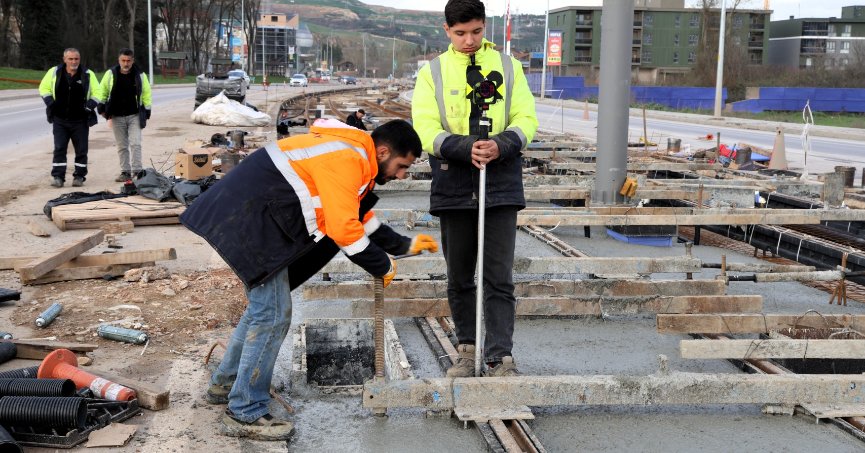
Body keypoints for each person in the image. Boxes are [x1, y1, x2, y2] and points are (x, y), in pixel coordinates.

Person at [180, 119, 439, 441]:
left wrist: (403, 245)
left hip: (255, 218)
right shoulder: (347, 158)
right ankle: (244, 410)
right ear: (384, 151)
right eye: (402, 166)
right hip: (250, 220)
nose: (402, 175)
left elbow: (356, 214)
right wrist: (381, 264)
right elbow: (343, 229)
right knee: (273, 314)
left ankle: (227, 383)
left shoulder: (355, 158)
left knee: (263, 311)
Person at [411, 0, 538, 378]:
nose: (469, 40)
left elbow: (526, 117)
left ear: (485, 27)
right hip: (453, 182)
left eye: (477, 32)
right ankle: (467, 349)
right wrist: (464, 147)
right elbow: (425, 127)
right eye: (461, 33)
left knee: (499, 275)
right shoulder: (431, 72)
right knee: (460, 275)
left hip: (500, 182)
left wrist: (502, 144)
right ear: (447, 30)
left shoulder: (509, 67)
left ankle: (500, 356)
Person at [39, 48, 102, 188]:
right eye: (71, 59)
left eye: (76, 59)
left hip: (80, 121)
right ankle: (58, 177)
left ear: (80, 59)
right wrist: (51, 103)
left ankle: (79, 176)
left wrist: (89, 106)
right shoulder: (54, 72)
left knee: (81, 150)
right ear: (64, 59)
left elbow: (98, 92)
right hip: (60, 120)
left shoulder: (87, 74)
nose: (74, 61)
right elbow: (43, 88)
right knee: (59, 148)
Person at [98, 48, 152, 182]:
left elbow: (146, 93)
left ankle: (138, 171)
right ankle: (125, 172)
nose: (126, 63)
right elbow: (103, 90)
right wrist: (101, 106)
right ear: (119, 60)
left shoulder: (140, 75)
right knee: (122, 146)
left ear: (133, 61)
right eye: (123, 60)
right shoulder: (110, 74)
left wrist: (147, 110)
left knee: (135, 143)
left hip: (134, 115)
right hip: (116, 115)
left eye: (128, 60)